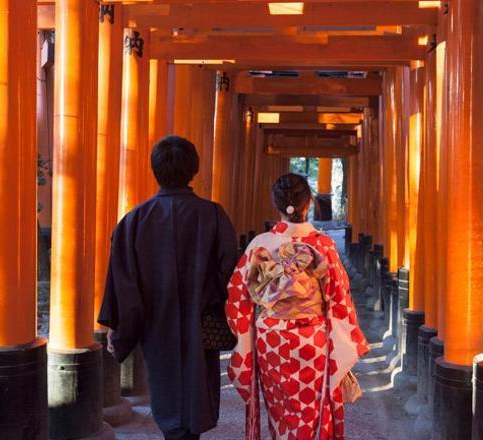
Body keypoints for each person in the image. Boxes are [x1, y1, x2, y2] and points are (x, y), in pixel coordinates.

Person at [98, 135, 238, 440]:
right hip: (201, 328)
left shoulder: (133, 221)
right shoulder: (214, 215)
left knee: (166, 394)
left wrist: (119, 330)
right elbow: (231, 274)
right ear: (194, 169)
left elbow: (124, 284)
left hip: (156, 327)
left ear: (155, 170)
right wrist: (214, 304)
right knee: (197, 397)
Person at [226, 173, 370, 440]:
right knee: (311, 411)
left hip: (271, 340)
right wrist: (347, 339)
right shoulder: (323, 245)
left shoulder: (260, 245)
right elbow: (340, 298)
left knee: (280, 411)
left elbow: (237, 296)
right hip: (312, 339)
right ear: (308, 205)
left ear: (277, 205)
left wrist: (245, 340)